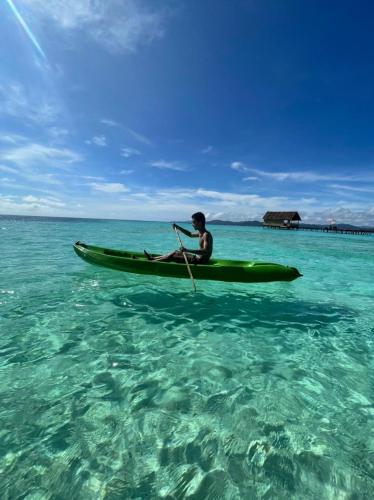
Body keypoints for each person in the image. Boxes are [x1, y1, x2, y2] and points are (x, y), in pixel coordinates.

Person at [144, 212, 213, 264]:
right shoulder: (200, 233)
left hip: (200, 261)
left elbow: (205, 251)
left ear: (200, 223)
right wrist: (178, 227)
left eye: (194, 222)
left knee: (174, 256)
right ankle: (152, 258)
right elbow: (190, 234)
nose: (192, 224)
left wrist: (187, 250)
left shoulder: (206, 235)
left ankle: (152, 262)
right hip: (197, 258)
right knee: (175, 252)